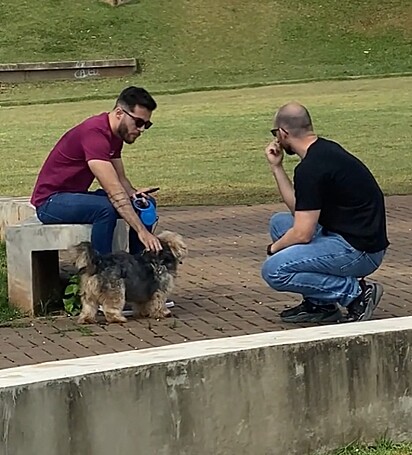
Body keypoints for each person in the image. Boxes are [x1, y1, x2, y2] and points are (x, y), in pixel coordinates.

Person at [261, 102, 389, 323]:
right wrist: (277, 167)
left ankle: (356, 294)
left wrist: (274, 249)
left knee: (274, 270)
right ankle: (320, 305)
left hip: (360, 251)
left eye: (276, 133)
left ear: (283, 133)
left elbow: (303, 234)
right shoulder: (324, 151)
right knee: (279, 223)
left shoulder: (311, 168)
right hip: (350, 237)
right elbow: (298, 210)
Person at [31, 86, 163, 256]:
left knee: (145, 204)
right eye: (138, 122)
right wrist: (141, 231)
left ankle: (140, 264)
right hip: (50, 202)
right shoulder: (94, 134)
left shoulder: (115, 136)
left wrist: (133, 193)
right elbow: (114, 191)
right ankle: (103, 271)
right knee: (104, 208)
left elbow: (120, 180)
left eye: (147, 124)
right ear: (119, 113)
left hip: (75, 196)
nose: (142, 129)